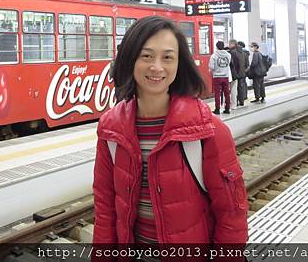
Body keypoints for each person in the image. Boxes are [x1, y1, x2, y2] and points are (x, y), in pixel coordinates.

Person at [93, 16, 248, 249]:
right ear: (130, 58)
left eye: (167, 57)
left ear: (179, 64)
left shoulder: (209, 130)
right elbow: (105, 209)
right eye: (146, 56)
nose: (157, 67)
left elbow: (232, 214)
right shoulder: (110, 129)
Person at [209, 41, 232, 114]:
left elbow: (211, 67)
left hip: (217, 77)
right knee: (227, 93)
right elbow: (228, 64)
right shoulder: (228, 55)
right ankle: (227, 108)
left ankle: (217, 109)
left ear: (216, 47)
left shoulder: (214, 55)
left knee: (217, 93)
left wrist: (212, 71)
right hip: (225, 76)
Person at [229, 39, 246, 107]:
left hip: (236, 73)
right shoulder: (242, 51)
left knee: (234, 88)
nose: (229, 45)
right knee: (241, 87)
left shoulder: (233, 52)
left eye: (230, 44)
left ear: (233, 44)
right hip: (242, 72)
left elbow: (234, 64)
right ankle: (241, 101)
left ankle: (235, 102)